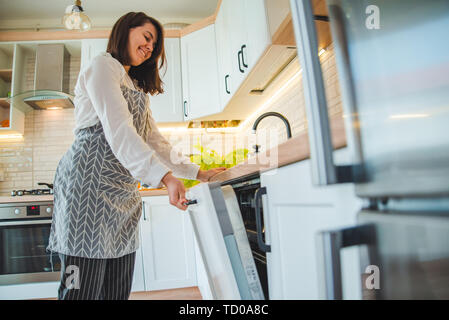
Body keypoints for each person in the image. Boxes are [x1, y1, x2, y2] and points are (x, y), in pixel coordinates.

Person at [47, 11, 226, 300]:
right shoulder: (101, 66)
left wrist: (198, 173)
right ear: (126, 30)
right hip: (86, 193)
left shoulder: (134, 86)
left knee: (117, 290)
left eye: (155, 45)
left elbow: (155, 140)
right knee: (78, 289)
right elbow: (119, 130)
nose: (150, 47)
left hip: (122, 196)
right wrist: (165, 178)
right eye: (147, 37)